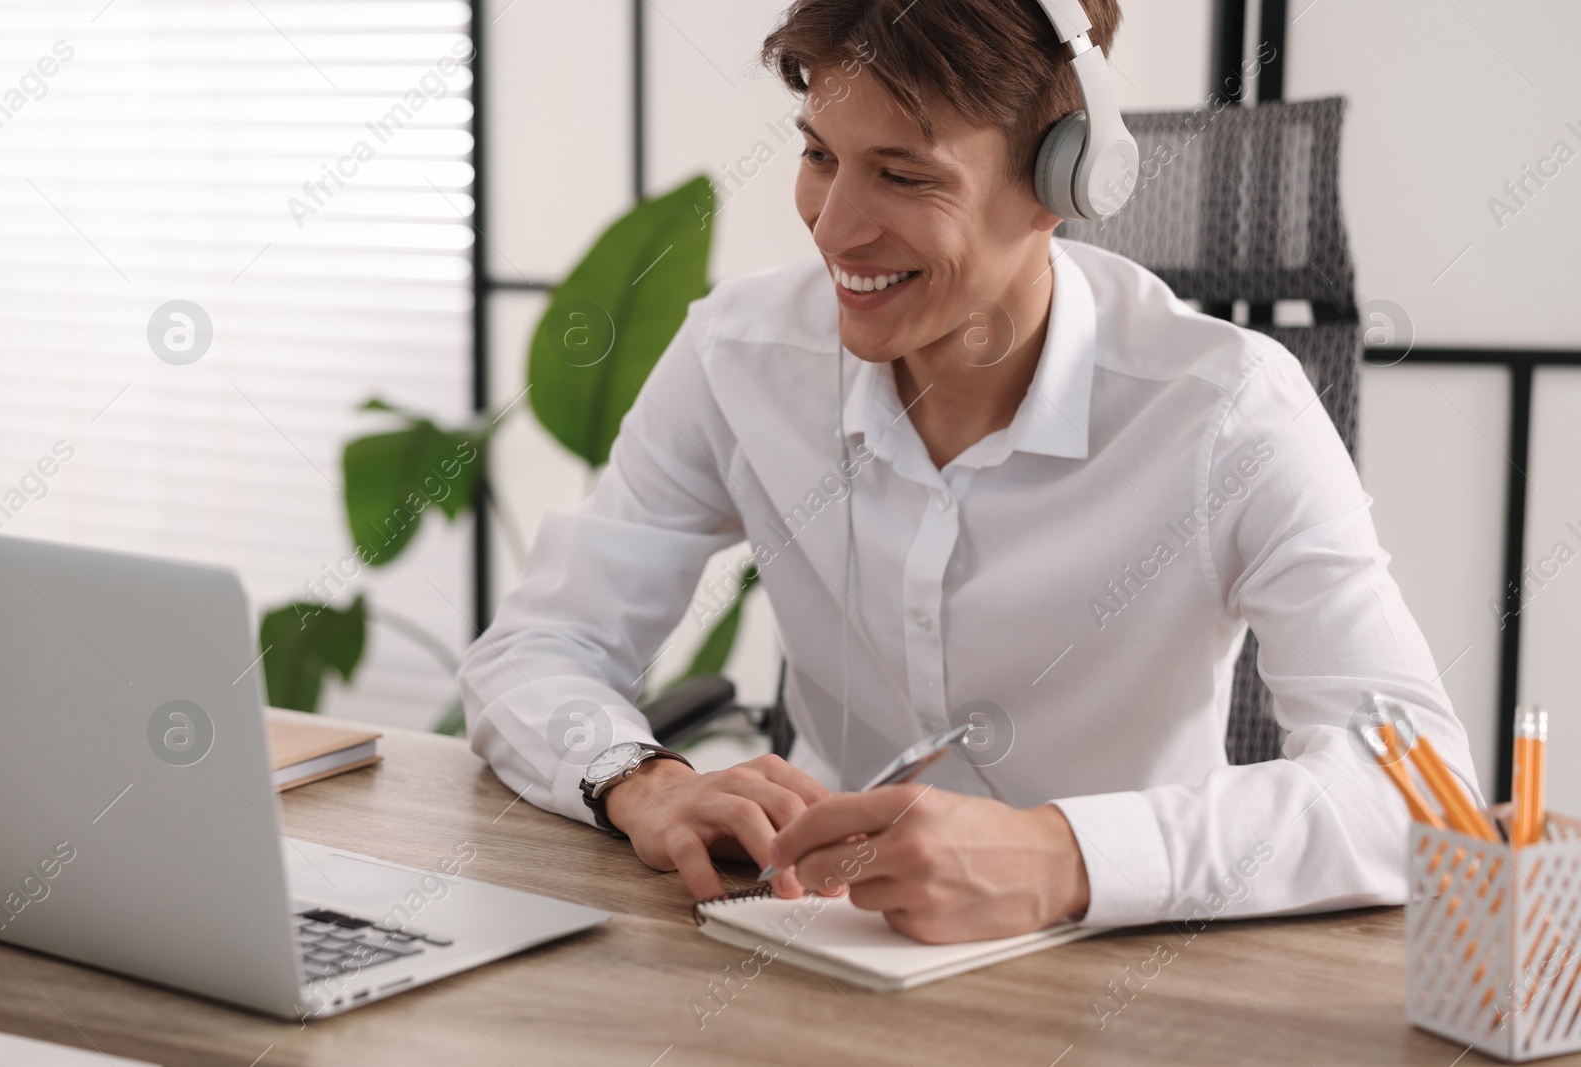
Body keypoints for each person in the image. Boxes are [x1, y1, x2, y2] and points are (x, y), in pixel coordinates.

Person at [459, 0, 1482, 944]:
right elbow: (539, 644)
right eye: (820, 154)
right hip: (808, 942)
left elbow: (1417, 788)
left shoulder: (1227, 409)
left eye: (902, 176)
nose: (832, 225)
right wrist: (639, 779)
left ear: (1065, 180)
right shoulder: (740, 356)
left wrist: (1062, 854)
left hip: (1119, 973)